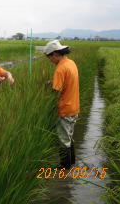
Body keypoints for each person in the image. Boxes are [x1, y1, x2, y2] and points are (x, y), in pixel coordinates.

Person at [44, 40, 79, 169]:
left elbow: (55, 92)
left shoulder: (60, 69)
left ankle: (64, 167)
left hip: (65, 109)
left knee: (63, 140)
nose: (50, 61)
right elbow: (67, 81)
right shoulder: (70, 63)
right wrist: (53, 81)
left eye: (49, 58)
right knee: (69, 137)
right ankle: (72, 162)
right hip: (74, 106)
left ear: (54, 54)